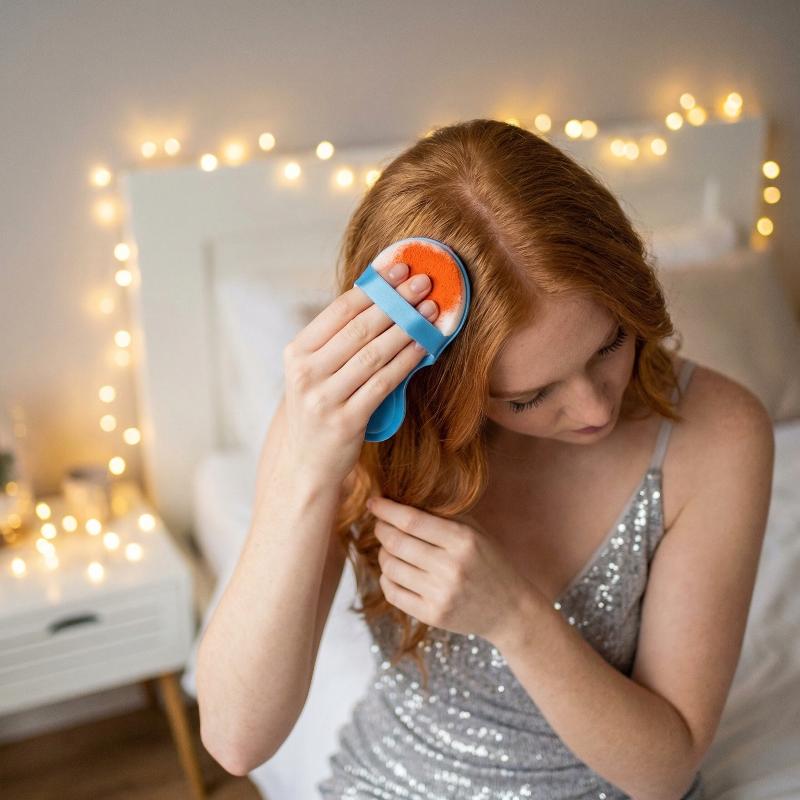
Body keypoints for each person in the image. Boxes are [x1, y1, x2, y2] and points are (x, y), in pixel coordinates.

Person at [195, 119, 775, 799]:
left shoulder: (718, 433)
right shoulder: (351, 426)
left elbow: (664, 774)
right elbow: (236, 739)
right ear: (440, 389)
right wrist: (305, 473)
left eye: (610, 344)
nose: (595, 408)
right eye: (529, 397)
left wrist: (514, 619)